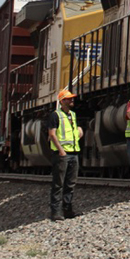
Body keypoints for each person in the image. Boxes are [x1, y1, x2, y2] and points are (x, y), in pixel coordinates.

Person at [47, 89, 83, 221]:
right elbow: (52, 134)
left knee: (70, 183)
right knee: (58, 183)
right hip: (62, 154)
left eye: (72, 98)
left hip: (73, 152)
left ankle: (68, 210)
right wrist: (61, 151)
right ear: (62, 101)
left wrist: (79, 132)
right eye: (69, 99)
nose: (72, 100)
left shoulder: (72, 115)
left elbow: (74, 130)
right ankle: (55, 212)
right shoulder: (55, 115)